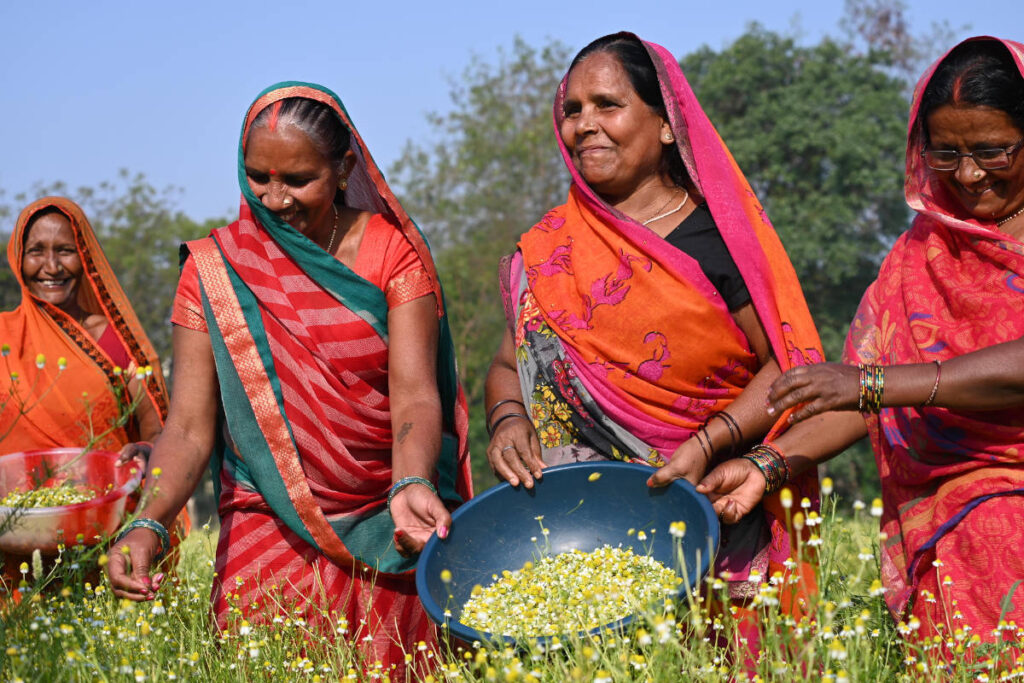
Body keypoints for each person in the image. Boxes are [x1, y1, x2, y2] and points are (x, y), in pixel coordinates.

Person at [106, 82, 472, 677]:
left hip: (389, 514)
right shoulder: (215, 270)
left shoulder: (393, 254)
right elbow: (191, 429)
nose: (274, 199)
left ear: (344, 168)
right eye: (258, 177)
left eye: (298, 180)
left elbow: (414, 393)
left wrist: (410, 481)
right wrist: (148, 521)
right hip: (268, 516)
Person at [484, 33, 824, 623]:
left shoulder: (718, 240)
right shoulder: (551, 249)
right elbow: (508, 365)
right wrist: (509, 421)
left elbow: (790, 364)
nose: (583, 124)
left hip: (713, 510)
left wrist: (708, 442)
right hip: (580, 532)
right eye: (572, 109)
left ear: (667, 124)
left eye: (607, 105)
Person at [708, 37, 1024, 642]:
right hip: (944, 517)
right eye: (944, 154)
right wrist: (764, 466)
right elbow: (860, 399)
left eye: (992, 151)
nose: (969, 174)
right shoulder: (921, 251)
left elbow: (875, 385)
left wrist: (873, 383)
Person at [0, 197, 167, 459]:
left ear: (85, 257)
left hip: (108, 496)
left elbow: (157, 430)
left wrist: (145, 451)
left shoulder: (118, 340)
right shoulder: (4, 337)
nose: (52, 267)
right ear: (19, 259)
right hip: (14, 498)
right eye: (36, 251)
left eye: (65, 250)